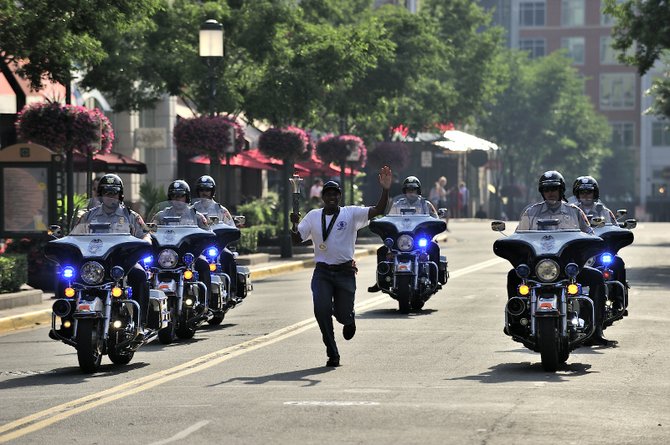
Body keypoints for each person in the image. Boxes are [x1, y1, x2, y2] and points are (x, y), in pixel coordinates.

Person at [289, 166, 393, 368]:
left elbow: (378, 210)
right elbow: (296, 240)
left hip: (345, 271)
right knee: (321, 310)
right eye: (327, 194)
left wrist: (386, 189)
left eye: (335, 194)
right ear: (322, 197)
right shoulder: (312, 216)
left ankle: (348, 318)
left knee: (343, 313)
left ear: (339, 197)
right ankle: (332, 352)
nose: (331, 197)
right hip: (323, 272)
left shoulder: (351, 214)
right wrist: (293, 225)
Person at [510, 170, 613, 346]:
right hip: (539, 267)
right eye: (547, 188)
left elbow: (590, 233)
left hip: (568, 268)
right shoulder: (531, 212)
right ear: (542, 191)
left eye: (554, 188)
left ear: (561, 190)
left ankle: (596, 329)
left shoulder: (575, 212)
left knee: (596, 278)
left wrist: (592, 244)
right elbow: (519, 235)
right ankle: (516, 322)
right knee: (513, 275)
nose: (550, 192)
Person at [66, 174, 152, 337]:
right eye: (106, 192)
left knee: (140, 275)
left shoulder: (131, 215)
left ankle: (140, 325)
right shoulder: (88, 216)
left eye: (113, 193)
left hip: (122, 264)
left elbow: (146, 233)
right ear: (100, 195)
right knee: (67, 277)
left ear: (120, 195)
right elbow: (73, 236)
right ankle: (67, 324)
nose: (110, 196)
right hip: (93, 264)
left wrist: (146, 241)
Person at [368, 176, 440, 293]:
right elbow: (389, 218)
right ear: (404, 191)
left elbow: (436, 219)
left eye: (413, 189)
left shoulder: (425, 204)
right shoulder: (397, 204)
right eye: (408, 189)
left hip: (418, 238)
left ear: (418, 191)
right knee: (382, 250)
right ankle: (381, 280)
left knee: (434, 247)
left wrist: (435, 227)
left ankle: (435, 280)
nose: (411, 192)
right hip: (401, 238)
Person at [151, 180, 212, 307]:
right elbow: (150, 232)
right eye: (174, 196)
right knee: (147, 270)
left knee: (204, 264)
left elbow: (209, 234)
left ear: (187, 197)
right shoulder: (161, 216)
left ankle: (205, 302)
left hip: (189, 255)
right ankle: (149, 306)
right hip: (166, 256)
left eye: (180, 196)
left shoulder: (197, 216)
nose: (177, 199)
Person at [573, 175, 627, 310]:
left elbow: (615, 227)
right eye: (582, 192)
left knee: (618, 262)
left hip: (600, 251)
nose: (586, 195)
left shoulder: (604, 211)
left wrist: (619, 230)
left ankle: (618, 300)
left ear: (594, 193)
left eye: (589, 192)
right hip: (580, 252)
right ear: (577, 194)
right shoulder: (571, 210)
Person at [192, 175, 238, 305]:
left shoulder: (221, 210)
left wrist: (228, 234)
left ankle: (232, 292)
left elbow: (231, 227)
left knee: (229, 257)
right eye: (201, 189)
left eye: (207, 190)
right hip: (199, 247)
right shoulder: (191, 209)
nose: (204, 192)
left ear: (212, 191)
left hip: (217, 245)